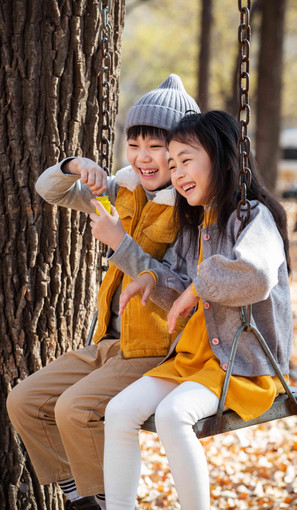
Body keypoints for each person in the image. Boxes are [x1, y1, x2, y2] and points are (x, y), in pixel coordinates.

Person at [6, 74, 200, 510]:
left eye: (158, 146)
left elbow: (185, 296)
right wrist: (74, 165)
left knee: (74, 409)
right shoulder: (124, 188)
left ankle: (107, 500)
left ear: (182, 152)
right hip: (110, 343)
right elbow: (47, 190)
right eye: (136, 145)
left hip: (157, 348)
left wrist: (119, 244)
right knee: (25, 400)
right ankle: (81, 499)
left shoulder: (191, 209)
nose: (145, 157)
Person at [103, 110, 293, 510]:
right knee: (119, 411)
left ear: (225, 159)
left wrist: (197, 287)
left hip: (242, 365)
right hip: (192, 360)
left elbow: (256, 275)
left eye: (186, 160)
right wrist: (153, 279)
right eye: (172, 164)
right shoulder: (195, 226)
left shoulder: (253, 218)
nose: (177, 171)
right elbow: (183, 295)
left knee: (173, 416)